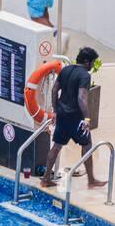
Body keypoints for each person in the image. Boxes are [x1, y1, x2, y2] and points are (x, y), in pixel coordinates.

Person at [41, 47, 107, 189]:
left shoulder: (65, 70)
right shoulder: (84, 75)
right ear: (86, 61)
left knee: (56, 146)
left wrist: (55, 110)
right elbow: (81, 98)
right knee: (87, 145)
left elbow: (54, 90)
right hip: (76, 118)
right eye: (92, 62)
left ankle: (45, 178)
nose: (91, 66)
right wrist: (87, 119)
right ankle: (91, 180)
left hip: (62, 115)